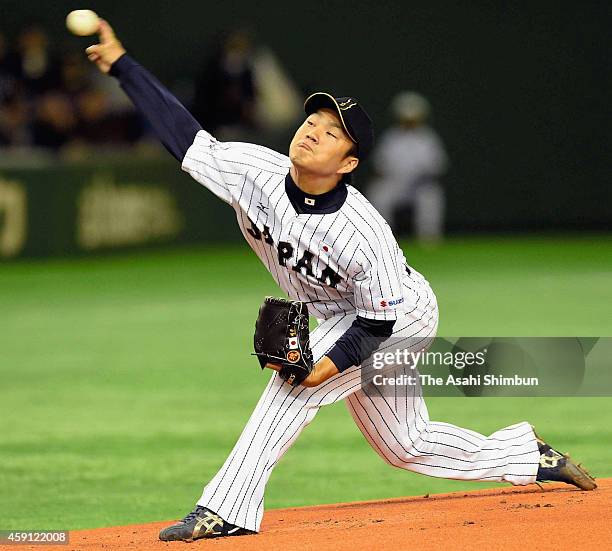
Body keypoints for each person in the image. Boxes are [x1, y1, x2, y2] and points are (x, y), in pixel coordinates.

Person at [85, 20, 596, 542]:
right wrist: (123, 66)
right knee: (406, 444)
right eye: (312, 122)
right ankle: (525, 455)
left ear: (348, 163)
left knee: (293, 384)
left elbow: (377, 324)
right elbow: (184, 137)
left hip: (398, 317)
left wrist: (320, 369)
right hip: (341, 313)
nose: (312, 132)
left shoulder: (361, 232)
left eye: (332, 133)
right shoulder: (251, 170)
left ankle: (227, 507)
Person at [368, 92, 447, 242]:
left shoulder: (428, 137)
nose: (409, 121)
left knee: (431, 195)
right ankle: (383, 239)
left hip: (420, 185)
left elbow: (437, 167)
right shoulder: (391, 137)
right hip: (394, 183)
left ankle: (429, 239)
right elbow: (380, 166)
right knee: (379, 193)